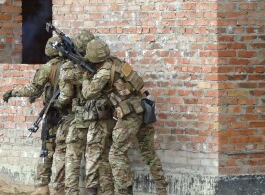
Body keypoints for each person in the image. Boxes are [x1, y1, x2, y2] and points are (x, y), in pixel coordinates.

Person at [81, 38, 168, 195]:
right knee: (148, 151)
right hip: (143, 109)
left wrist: (86, 79)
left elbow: (88, 93)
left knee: (116, 155)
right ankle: (162, 188)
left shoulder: (104, 73)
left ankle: (124, 192)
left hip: (130, 116)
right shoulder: (118, 63)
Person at [2, 37, 67, 195]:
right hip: (69, 117)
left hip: (53, 115)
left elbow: (33, 89)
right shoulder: (72, 67)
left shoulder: (49, 68)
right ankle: (60, 189)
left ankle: (42, 187)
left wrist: (13, 92)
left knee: (46, 150)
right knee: (63, 153)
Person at [56, 30, 114, 195]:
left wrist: (58, 102)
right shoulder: (104, 65)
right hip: (101, 118)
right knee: (101, 159)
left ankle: (71, 192)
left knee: (73, 158)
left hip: (81, 117)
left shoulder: (69, 67)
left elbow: (65, 97)